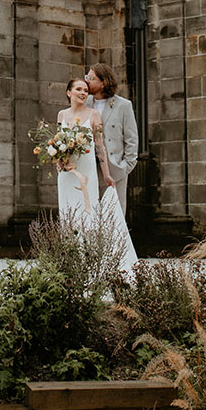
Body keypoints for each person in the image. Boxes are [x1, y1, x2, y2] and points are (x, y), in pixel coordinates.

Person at [57, 77, 136, 273]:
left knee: (87, 214)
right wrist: (59, 160)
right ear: (69, 93)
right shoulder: (61, 114)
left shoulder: (93, 115)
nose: (83, 93)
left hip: (88, 173)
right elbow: (58, 142)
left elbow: (100, 147)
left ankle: (89, 263)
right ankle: (69, 263)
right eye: (78, 89)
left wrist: (107, 175)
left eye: (85, 90)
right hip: (67, 175)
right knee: (68, 215)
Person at [84, 63, 139, 214]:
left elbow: (132, 140)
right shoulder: (84, 102)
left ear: (104, 83)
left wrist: (125, 167)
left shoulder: (123, 105)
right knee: (90, 215)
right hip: (89, 169)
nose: (87, 81)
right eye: (86, 77)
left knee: (115, 216)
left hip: (115, 170)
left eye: (91, 78)